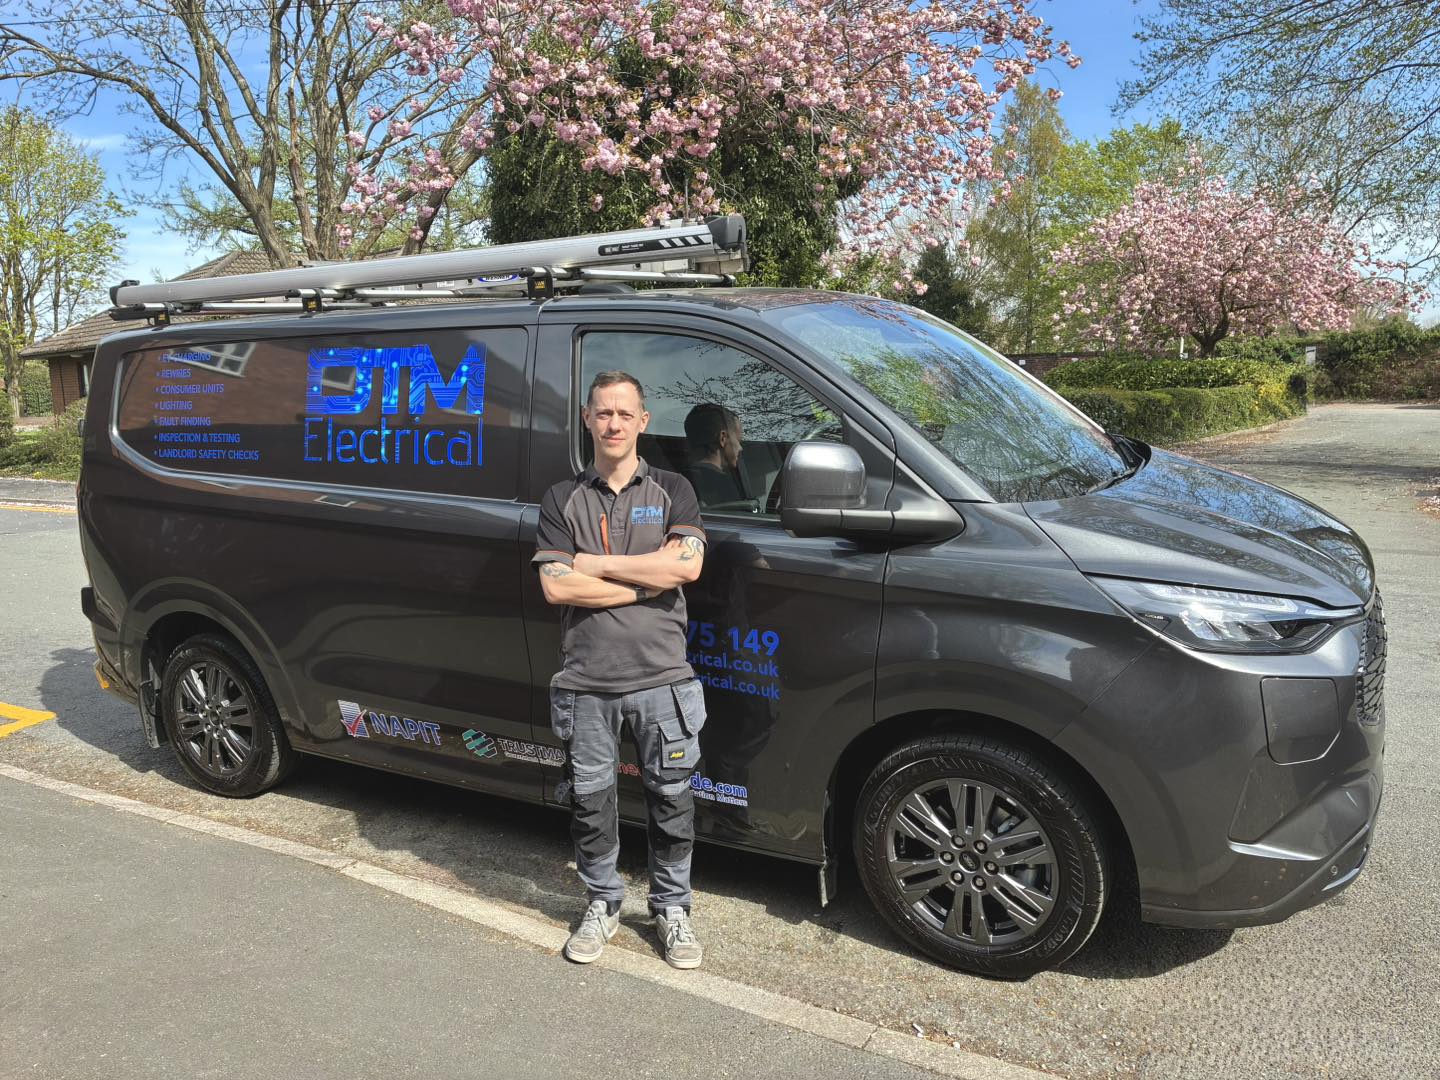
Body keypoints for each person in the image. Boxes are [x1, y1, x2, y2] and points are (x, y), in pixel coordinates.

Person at [532, 370, 709, 969]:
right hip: (586, 683)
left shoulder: (674, 489)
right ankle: (603, 902)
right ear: (587, 419)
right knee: (590, 802)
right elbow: (557, 588)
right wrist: (641, 583)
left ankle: (672, 908)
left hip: (663, 679)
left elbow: (684, 569)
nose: (613, 423)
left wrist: (594, 564)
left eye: (624, 413)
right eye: (603, 413)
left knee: (673, 801)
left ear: (642, 421)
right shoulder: (561, 498)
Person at [683, 402, 749, 507]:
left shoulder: (676, 481)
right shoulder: (728, 486)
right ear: (723, 438)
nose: (740, 448)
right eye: (738, 440)